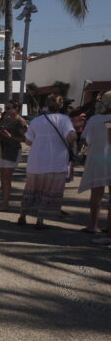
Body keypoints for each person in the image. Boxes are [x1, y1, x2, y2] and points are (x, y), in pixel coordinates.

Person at [17, 94, 76, 229]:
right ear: (61, 105)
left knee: (31, 190)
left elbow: (28, 141)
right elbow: (71, 137)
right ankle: (40, 220)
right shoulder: (64, 119)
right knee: (48, 191)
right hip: (55, 162)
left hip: (36, 161)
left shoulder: (37, 121)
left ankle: (22, 216)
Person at [78, 91, 111, 243]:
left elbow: (86, 138)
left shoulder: (95, 119)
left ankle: (93, 224)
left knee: (96, 193)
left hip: (98, 158)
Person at [0, 100, 28, 211]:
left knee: (7, 178)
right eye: (6, 107)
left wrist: (10, 136)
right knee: (2, 177)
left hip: (12, 150)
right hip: (2, 149)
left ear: (16, 108)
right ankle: (3, 201)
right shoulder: (5, 118)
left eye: (9, 108)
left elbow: (26, 139)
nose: (7, 109)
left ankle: (5, 203)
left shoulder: (20, 122)